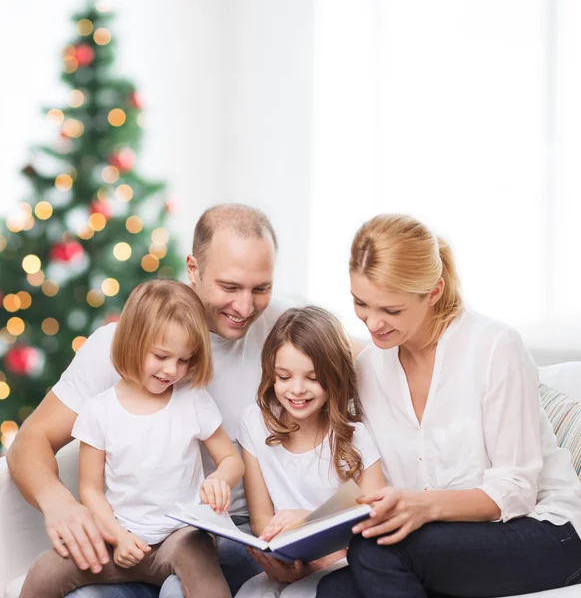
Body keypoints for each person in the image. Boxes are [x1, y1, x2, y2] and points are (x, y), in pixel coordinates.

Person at [7, 204, 285, 597]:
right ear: (193, 267)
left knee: (180, 586)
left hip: (222, 531)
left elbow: (351, 352)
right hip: (126, 532)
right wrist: (59, 503)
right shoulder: (118, 347)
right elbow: (29, 441)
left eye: (261, 289)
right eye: (229, 287)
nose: (245, 306)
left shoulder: (282, 327)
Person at [316, 214, 581, 598]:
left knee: (374, 553)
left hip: (547, 530)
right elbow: (373, 479)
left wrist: (424, 507)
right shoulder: (369, 368)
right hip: (449, 540)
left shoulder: (494, 347)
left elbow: (516, 490)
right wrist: (307, 534)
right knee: (335, 591)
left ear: (434, 291)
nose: (373, 323)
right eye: (361, 303)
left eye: (391, 310)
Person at [19, 280, 243, 598]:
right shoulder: (100, 410)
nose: (172, 370)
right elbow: (91, 491)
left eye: (184, 360)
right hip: (119, 537)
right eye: (162, 356)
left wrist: (221, 478)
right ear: (133, 342)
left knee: (202, 566)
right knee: (46, 570)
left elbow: (231, 460)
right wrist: (118, 536)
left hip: (180, 537)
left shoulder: (193, 399)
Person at [236, 306, 385, 598]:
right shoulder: (255, 423)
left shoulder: (356, 438)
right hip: (286, 561)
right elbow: (261, 519)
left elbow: (375, 523)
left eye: (313, 378)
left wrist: (306, 523)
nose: (297, 390)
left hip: (342, 564)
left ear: (334, 376)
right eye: (284, 376)